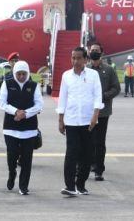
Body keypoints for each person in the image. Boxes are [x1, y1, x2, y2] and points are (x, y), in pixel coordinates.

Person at [56, 47, 103, 196]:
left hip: (87, 121)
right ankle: (69, 186)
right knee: (71, 153)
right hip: (71, 120)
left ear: (85, 60)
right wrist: (60, 120)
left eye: (78, 58)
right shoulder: (66, 76)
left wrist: (95, 115)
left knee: (87, 154)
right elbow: (62, 98)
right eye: (73, 58)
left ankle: (80, 184)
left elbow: (97, 96)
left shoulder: (93, 75)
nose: (75, 61)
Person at [0, 60, 43, 195]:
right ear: (14, 73)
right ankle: (12, 173)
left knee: (26, 159)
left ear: (28, 73)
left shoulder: (34, 85)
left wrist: (25, 114)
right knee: (12, 155)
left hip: (29, 129)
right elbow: (1, 103)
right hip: (11, 128)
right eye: (19, 74)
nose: (22, 77)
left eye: (24, 74)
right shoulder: (7, 84)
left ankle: (24, 186)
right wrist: (15, 112)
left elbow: (39, 105)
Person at [88, 43, 121, 181]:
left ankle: (99, 169)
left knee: (100, 142)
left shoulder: (108, 70)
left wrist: (104, 96)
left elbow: (116, 88)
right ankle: (88, 164)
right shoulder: (85, 69)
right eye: (92, 50)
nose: (94, 52)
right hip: (87, 112)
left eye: (97, 50)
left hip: (103, 112)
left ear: (102, 52)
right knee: (87, 141)